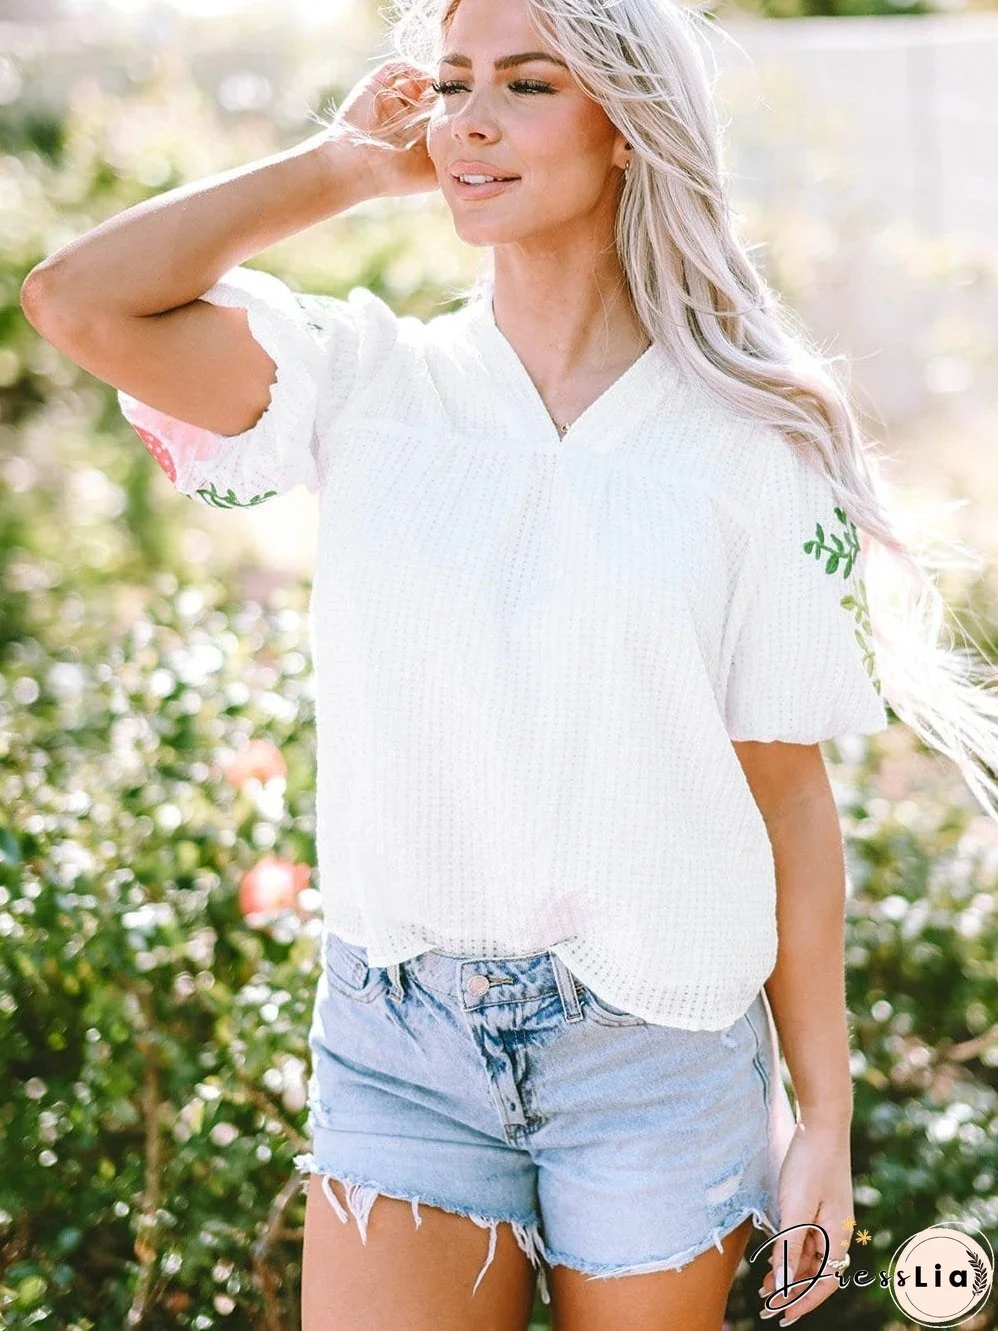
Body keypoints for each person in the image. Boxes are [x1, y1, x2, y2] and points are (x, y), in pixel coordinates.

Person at [20, 0, 998, 1327]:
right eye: (453, 81)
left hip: (655, 1051)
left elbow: (784, 794)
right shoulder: (362, 379)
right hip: (399, 1047)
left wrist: (820, 1119)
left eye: (526, 85)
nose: (468, 119)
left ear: (625, 134)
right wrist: (341, 167)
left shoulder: (749, 449)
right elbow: (75, 299)